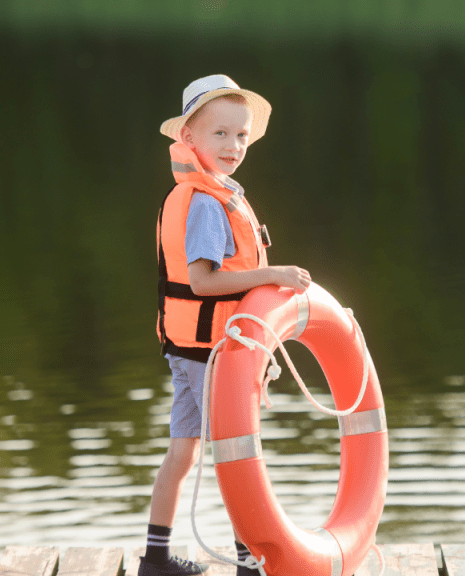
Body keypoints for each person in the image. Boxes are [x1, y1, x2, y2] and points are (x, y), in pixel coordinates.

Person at [141, 74, 311, 576]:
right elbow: (202, 282)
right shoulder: (208, 204)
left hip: (188, 347)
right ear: (189, 139)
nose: (234, 146)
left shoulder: (211, 194)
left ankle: (155, 559)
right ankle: (247, 564)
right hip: (209, 352)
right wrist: (274, 274)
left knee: (182, 453)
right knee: (238, 456)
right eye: (220, 134)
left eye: (241, 135)